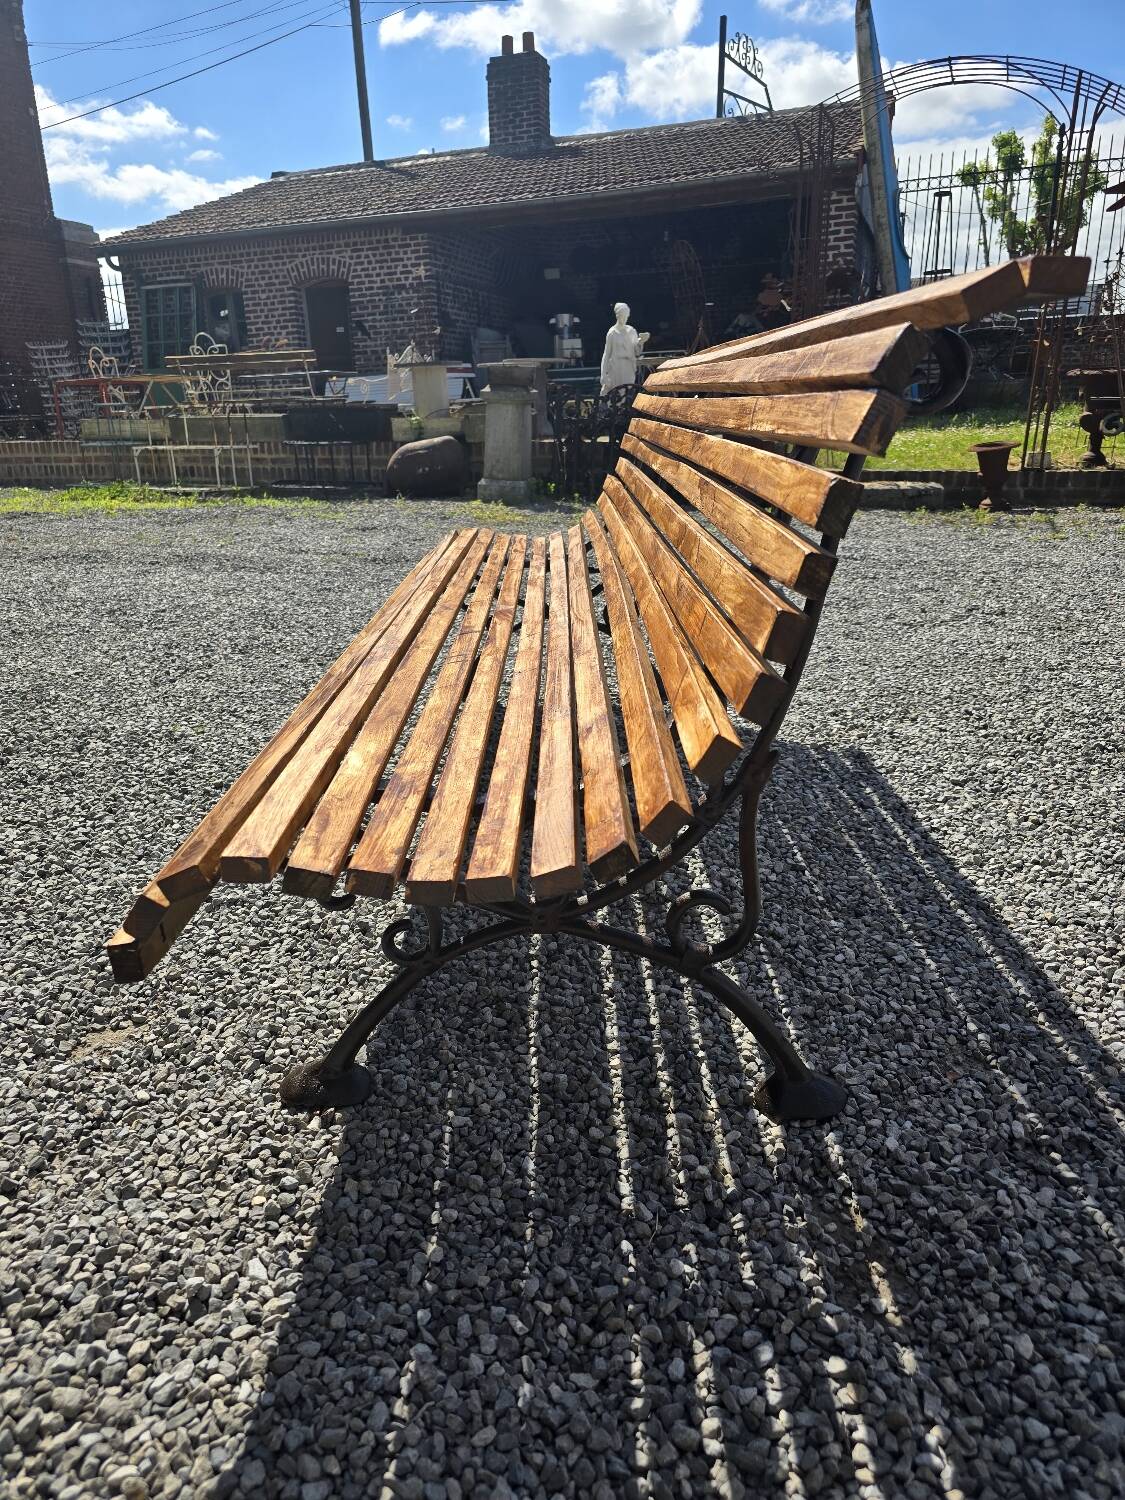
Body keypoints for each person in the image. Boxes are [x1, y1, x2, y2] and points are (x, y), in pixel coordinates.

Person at [600, 302, 650, 394]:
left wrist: (641, 342)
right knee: (612, 391)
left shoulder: (631, 331)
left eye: (626, 316)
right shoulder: (612, 332)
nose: (624, 318)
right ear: (617, 315)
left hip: (628, 366)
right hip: (616, 366)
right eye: (622, 316)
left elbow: (637, 352)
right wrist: (603, 374)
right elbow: (606, 354)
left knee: (626, 392)